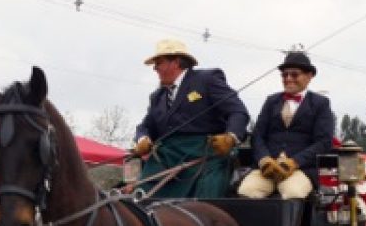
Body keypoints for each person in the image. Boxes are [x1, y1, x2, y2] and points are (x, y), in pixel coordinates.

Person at [133, 39, 249, 198]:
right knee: (139, 199)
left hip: (205, 155)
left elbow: (238, 112)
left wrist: (231, 137)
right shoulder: (157, 97)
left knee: (206, 201)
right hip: (166, 158)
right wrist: (142, 139)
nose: (155, 69)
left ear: (175, 62)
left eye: (158, 63)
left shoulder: (207, 79)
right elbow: (145, 126)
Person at [238, 51, 336, 200]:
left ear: (309, 76)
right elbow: (257, 135)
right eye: (284, 75)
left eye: (294, 75)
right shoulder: (271, 101)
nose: (288, 79)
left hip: (300, 169)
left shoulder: (320, 103)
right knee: (247, 190)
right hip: (267, 169)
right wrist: (264, 160)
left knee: (293, 192)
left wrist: (294, 162)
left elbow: (323, 142)